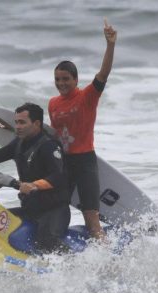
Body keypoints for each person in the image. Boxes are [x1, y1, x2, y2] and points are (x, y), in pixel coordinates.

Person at [0, 103, 70, 253]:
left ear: (36, 123)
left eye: (22, 122)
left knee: (46, 242)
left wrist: (35, 185)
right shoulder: (19, 143)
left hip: (54, 211)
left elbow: (59, 177)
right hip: (30, 208)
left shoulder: (49, 146)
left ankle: (73, 267)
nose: (17, 127)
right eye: (16, 122)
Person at [48, 19, 117, 240]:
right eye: (58, 79)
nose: (61, 83)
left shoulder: (87, 96)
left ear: (76, 80)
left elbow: (103, 74)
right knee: (56, 209)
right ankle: (55, 246)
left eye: (66, 79)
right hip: (63, 163)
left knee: (91, 217)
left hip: (85, 162)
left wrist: (110, 45)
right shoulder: (53, 103)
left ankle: (104, 258)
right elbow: (55, 134)